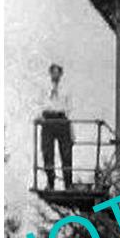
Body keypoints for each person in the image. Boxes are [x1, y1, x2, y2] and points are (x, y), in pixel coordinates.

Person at [39, 62, 74, 190]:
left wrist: (70, 128)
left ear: (61, 74)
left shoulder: (66, 89)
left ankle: (68, 184)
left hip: (61, 120)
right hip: (48, 120)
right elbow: (40, 103)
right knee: (47, 152)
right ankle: (50, 183)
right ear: (50, 73)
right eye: (52, 72)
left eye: (57, 72)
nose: (55, 75)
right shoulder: (44, 88)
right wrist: (40, 117)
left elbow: (70, 108)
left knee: (66, 153)